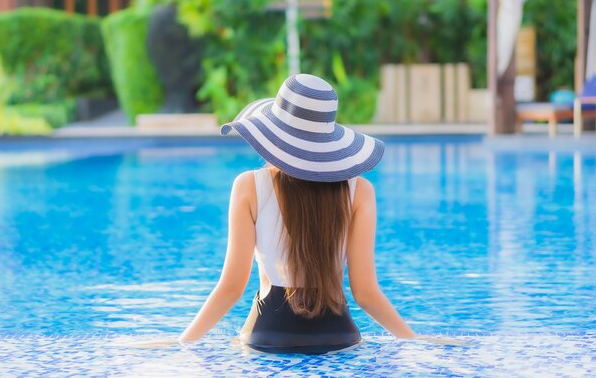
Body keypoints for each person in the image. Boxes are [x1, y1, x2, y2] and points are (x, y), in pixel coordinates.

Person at [178, 74, 462, 353]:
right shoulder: (359, 191)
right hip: (338, 335)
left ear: (273, 134)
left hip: (268, 336)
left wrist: (182, 343)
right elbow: (365, 293)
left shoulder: (248, 187)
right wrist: (413, 340)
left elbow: (231, 288)